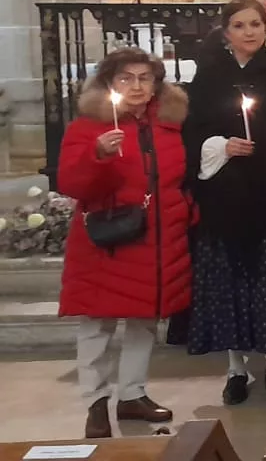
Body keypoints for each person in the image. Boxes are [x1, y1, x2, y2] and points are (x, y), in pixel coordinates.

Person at [59, 48, 192, 438]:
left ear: (156, 84)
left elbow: (176, 180)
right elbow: (72, 183)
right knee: (96, 325)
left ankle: (132, 394)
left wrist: (186, 211)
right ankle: (95, 403)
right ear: (110, 83)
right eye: (126, 78)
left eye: (144, 78)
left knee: (143, 321)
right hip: (106, 240)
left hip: (155, 240)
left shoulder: (170, 125)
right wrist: (97, 155)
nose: (136, 86)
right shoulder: (88, 127)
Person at [183, 0, 266, 405]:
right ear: (226, 32)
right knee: (231, 284)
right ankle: (236, 368)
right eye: (240, 25)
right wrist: (220, 146)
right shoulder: (209, 75)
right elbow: (193, 129)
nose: (250, 32)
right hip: (224, 195)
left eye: (256, 24)